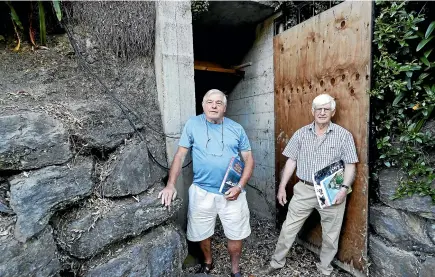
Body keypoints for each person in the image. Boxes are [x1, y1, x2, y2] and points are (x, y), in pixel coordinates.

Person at [257, 94, 358, 276]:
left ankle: (325, 268)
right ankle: (276, 262)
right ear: (312, 111)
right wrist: (282, 187)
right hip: (304, 188)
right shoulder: (301, 133)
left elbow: (351, 165)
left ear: (332, 112)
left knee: (330, 235)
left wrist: (343, 189)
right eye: (318, 108)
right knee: (288, 228)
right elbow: (291, 162)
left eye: (326, 109)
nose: (322, 112)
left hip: (332, 190)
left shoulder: (344, 135)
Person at [158, 89, 255, 277]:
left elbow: (249, 159)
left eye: (218, 103)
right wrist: (171, 184)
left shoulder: (236, 128)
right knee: (202, 232)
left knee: (236, 233)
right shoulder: (193, 125)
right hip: (202, 191)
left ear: (225, 108)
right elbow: (180, 155)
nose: (213, 106)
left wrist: (240, 186)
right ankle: (208, 262)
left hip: (232, 192)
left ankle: (235, 269)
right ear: (203, 105)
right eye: (209, 102)